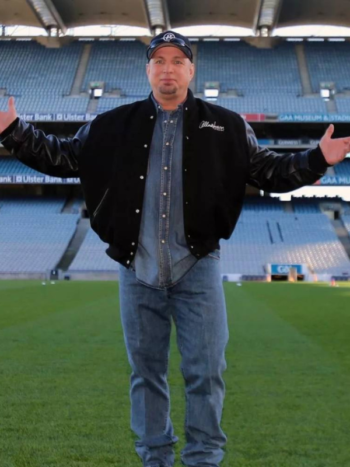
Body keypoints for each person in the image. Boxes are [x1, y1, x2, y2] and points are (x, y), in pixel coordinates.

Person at [0, 30, 349, 467]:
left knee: (205, 372)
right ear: (148, 70)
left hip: (197, 263)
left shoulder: (226, 124)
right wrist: (15, 132)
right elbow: (64, 157)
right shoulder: (112, 124)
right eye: (159, 61)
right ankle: (155, 457)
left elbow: (269, 170)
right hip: (136, 265)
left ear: (191, 70)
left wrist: (317, 158)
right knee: (146, 374)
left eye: (177, 61)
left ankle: (203, 458)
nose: (168, 69)